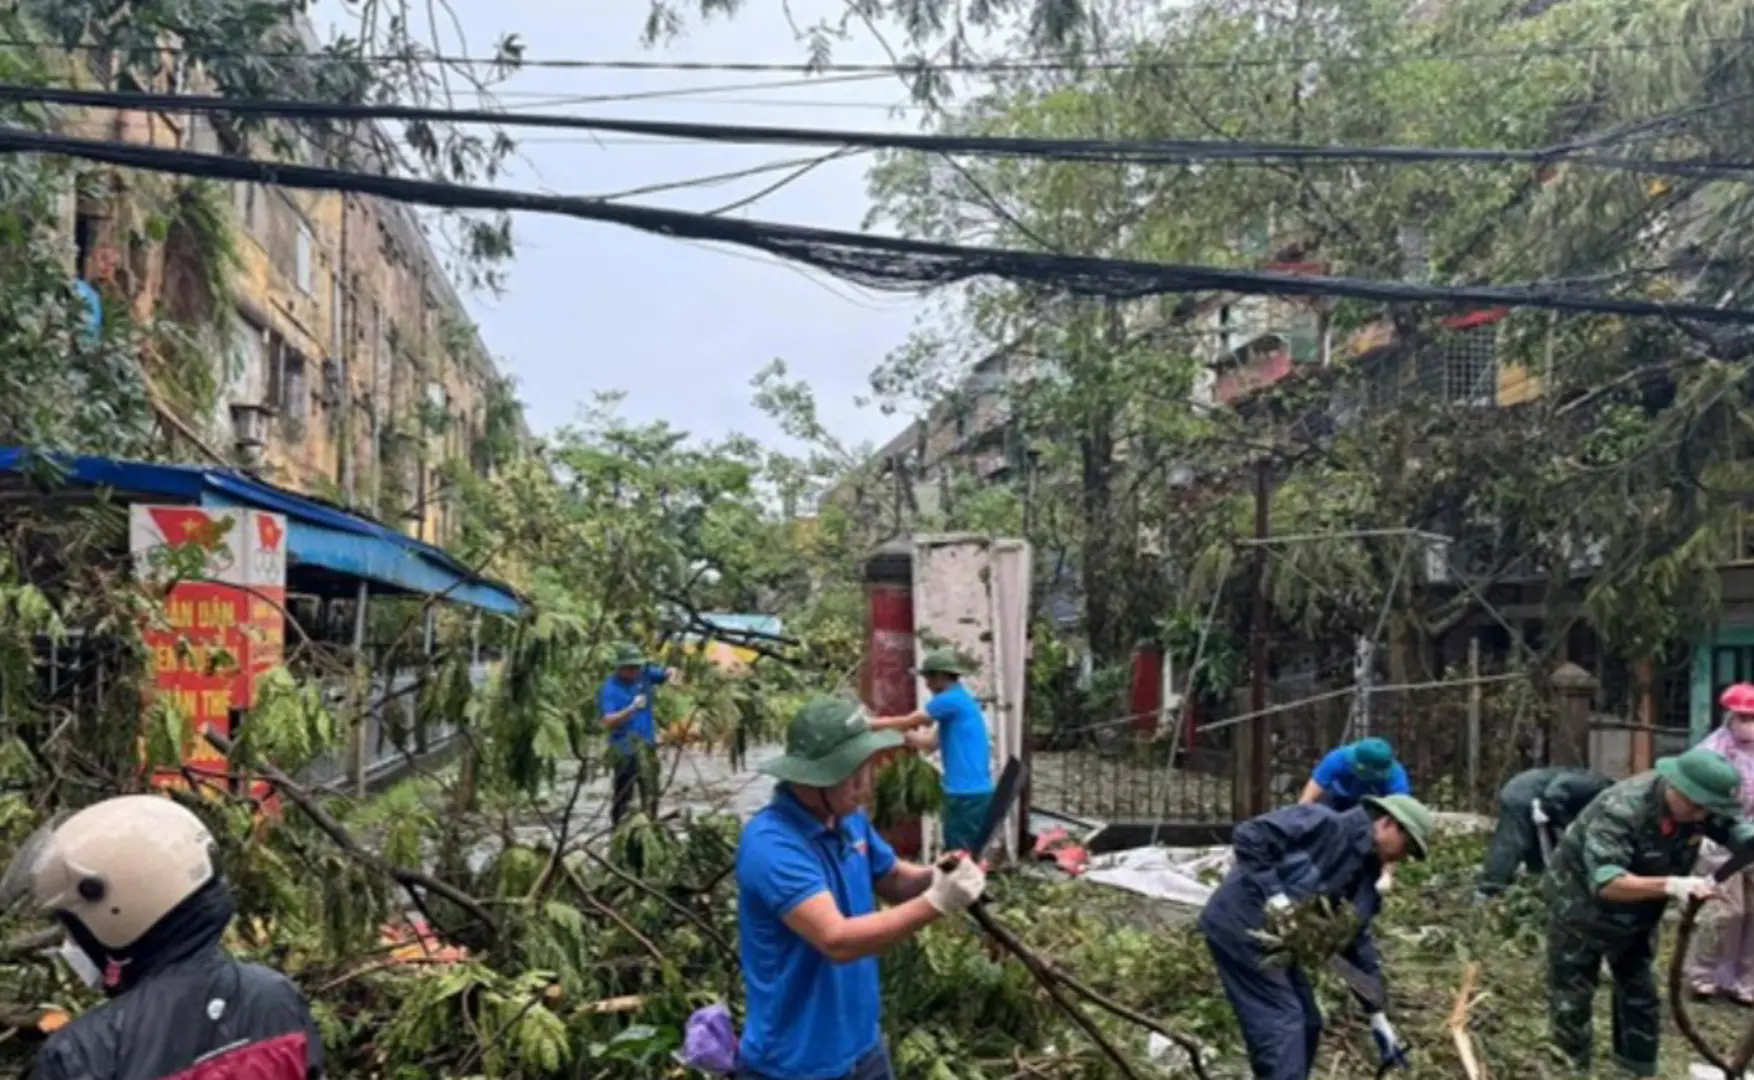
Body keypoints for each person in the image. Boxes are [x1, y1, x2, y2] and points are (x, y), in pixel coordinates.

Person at [736, 696, 987, 1080]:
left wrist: (936, 875)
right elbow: (836, 940)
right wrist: (937, 902)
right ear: (817, 776)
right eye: (856, 772)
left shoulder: (848, 819)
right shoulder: (773, 845)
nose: (867, 783)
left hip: (862, 1044)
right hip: (797, 1062)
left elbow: (892, 879)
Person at [0, 795, 324, 1080]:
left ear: (118, 911)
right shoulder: (275, 998)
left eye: (73, 927)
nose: (71, 943)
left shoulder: (82, 1054)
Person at [1546, 747, 1754, 1076]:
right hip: (1582, 909)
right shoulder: (1622, 809)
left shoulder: (1697, 805)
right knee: (1573, 998)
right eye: (1698, 807)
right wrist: (1674, 885)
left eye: (1708, 809)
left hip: (1640, 913)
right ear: (1676, 788)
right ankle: (1570, 1070)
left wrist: (1747, 840)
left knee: (1639, 992)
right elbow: (1607, 881)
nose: (1702, 816)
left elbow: (1733, 829)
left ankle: (1636, 1070)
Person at [1197, 793, 1433, 1080]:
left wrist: (1375, 1011)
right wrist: (1275, 896)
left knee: (1309, 1022)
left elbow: (1355, 939)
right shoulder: (1323, 823)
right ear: (1388, 824)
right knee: (1285, 1023)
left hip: (1280, 944)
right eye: (1406, 847)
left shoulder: (1366, 872)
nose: (1402, 857)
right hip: (1239, 923)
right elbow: (1251, 835)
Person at [872, 649, 994, 853]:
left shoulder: (950, 699)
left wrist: (869, 724)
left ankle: (964, 885)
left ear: (941, 676)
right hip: (971, 793)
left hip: (965, 794)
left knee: (959, 856)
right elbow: (929, 743)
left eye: (928, 678)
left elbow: (911, 720)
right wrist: (901, 735)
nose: (927, 685)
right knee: (962, 853)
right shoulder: (961, 700)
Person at [1686, 684, 1754, 1003]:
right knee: (1725, 911)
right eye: (1743, 717)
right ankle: (1702, 974)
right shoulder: (1714, 750)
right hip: (1724, 837)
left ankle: (1746, 981)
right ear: (1731, 717)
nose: (1748, 723)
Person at [1473, 766, 1614, 903]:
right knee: (1511, 843)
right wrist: (1565, 820)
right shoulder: (1597, 784)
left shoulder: (1598, 791)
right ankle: (1488, 891)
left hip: (1533, 795)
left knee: (1540, 851)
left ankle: (1536, 887)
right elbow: (1556, 791)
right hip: (1524, 795)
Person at [599, 642, 674, 828]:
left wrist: (672, 676)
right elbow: (608, 721)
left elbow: (669, 673)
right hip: (624, 750)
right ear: (620, 668)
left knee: (650, 791)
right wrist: (631, 708)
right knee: (623, 796)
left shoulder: (645, 674)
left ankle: (650, 826)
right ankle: (619, 830)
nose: (634, 672)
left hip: (647, 746)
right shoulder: (611, 689)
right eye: (630, 668)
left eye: (637, 667)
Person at [1299, 737, 1411, 812]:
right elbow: (1313, 788)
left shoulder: (1397, 779)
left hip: (1372, 805)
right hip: (1336, 797)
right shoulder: (1338, 758)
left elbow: (1401, 813)